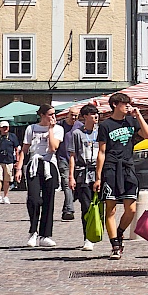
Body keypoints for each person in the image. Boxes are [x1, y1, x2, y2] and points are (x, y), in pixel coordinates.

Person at [94, 93, 148, 259]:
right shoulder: (106, 125)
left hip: (128, 167)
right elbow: (101, 151)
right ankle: (115, 245)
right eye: (125, 104)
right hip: (111, 168)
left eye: (129, 104)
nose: (128, 106)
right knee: (110, 208)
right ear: (114, 105)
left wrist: (138, 115)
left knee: (131, 209)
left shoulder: (131, 122)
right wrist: (98, 177)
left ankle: (120, 232)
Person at [23, 105, 63, 247]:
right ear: (42, 115)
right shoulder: (31, 128)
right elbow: (25, 149)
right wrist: (19, 167)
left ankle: (45, 234)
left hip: (49, 164)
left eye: (54, 114)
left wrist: (51, 130)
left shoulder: (58, 129)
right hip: (34, 164)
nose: (53, 117)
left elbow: (53, 148)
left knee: (48, 199)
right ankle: (33, 231)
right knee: (34, 199)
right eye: (50, 114)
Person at [67, 105, 101, 251]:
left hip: (98, 172)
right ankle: (88, 237)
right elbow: (72, 156)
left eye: (97, 113)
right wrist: (71, 176)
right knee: (86, 207)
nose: (96, 116)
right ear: (85, 116)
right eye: (92, 114)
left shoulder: (101, 132)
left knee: (100, 206)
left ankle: (99, 232)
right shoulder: (76, 133)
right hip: (83, 173)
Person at [0, 121, 20, 205]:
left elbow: (16, 149)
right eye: (3, 127)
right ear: (0, 128)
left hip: (9, 160)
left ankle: (6, 196)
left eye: (6, 127)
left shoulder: (12, 136)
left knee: (7, 180)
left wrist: (17, 161)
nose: (5, 128)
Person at [57, 107, 78, 221]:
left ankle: (66, 209)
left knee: (74, 187)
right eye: (72, 115)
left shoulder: (80, 126)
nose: (74, 117)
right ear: (67, 115)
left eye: (76, 115)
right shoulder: (60, 126)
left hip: (76, 160)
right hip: (63, 159)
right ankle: (70, 210)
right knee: (67, 183)